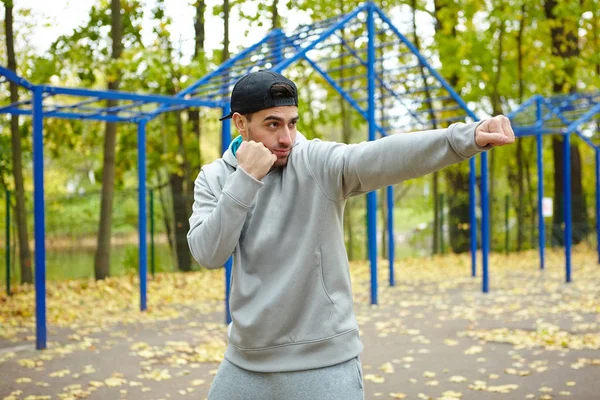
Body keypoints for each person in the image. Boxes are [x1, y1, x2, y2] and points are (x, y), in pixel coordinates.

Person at [187, 70, 515, 399]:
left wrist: (465, 138)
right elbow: (209, 254)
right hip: (245, 362)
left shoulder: (315, 162)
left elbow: (382, 156)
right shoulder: (214, 178)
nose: (286, 137)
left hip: (325, 363)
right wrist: (245, 179)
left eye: (292, 123)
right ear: (241, 124)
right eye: (273, 124)